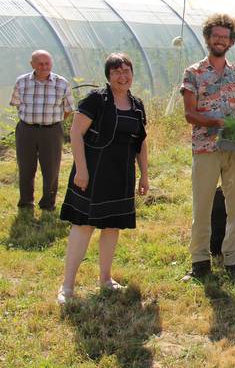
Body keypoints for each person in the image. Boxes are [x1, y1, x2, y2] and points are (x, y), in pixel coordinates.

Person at [57, 53, 148, 304]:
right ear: (108, 76)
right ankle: (67, 287)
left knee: (112, 226)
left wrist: (144, 175)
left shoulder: (137, 104)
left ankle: (106, 279)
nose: (123, 76)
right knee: (83, 225)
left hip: (122, 174)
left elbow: (141, 142)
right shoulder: (95, 99)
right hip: (93, 172)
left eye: (126, 71)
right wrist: (81, 170)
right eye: (117, 72)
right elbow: (76, 133)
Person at [181, 13, 235, 280]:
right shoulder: (194, 73)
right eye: (216, 36)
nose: (220, 40)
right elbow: (189, 114)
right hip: (205, 148)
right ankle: (200, 261)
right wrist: (215, 120)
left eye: (225, 37)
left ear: (231, 41)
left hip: (234, 149)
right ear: (208, 38)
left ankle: (233, 259)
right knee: (203, 205)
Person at [10, 50, 75, 211]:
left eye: (47, 63)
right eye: (40, 63)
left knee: (51, 168)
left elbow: (68, 109)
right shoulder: (22, 82)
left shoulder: (61, 83)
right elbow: (16, 103)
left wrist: (51, 122)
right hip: (26, 130)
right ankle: (26, 202)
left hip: (51, 131)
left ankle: (48, 203)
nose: (44, 66)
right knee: (25, 166)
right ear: (32, 64)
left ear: (51, 64)